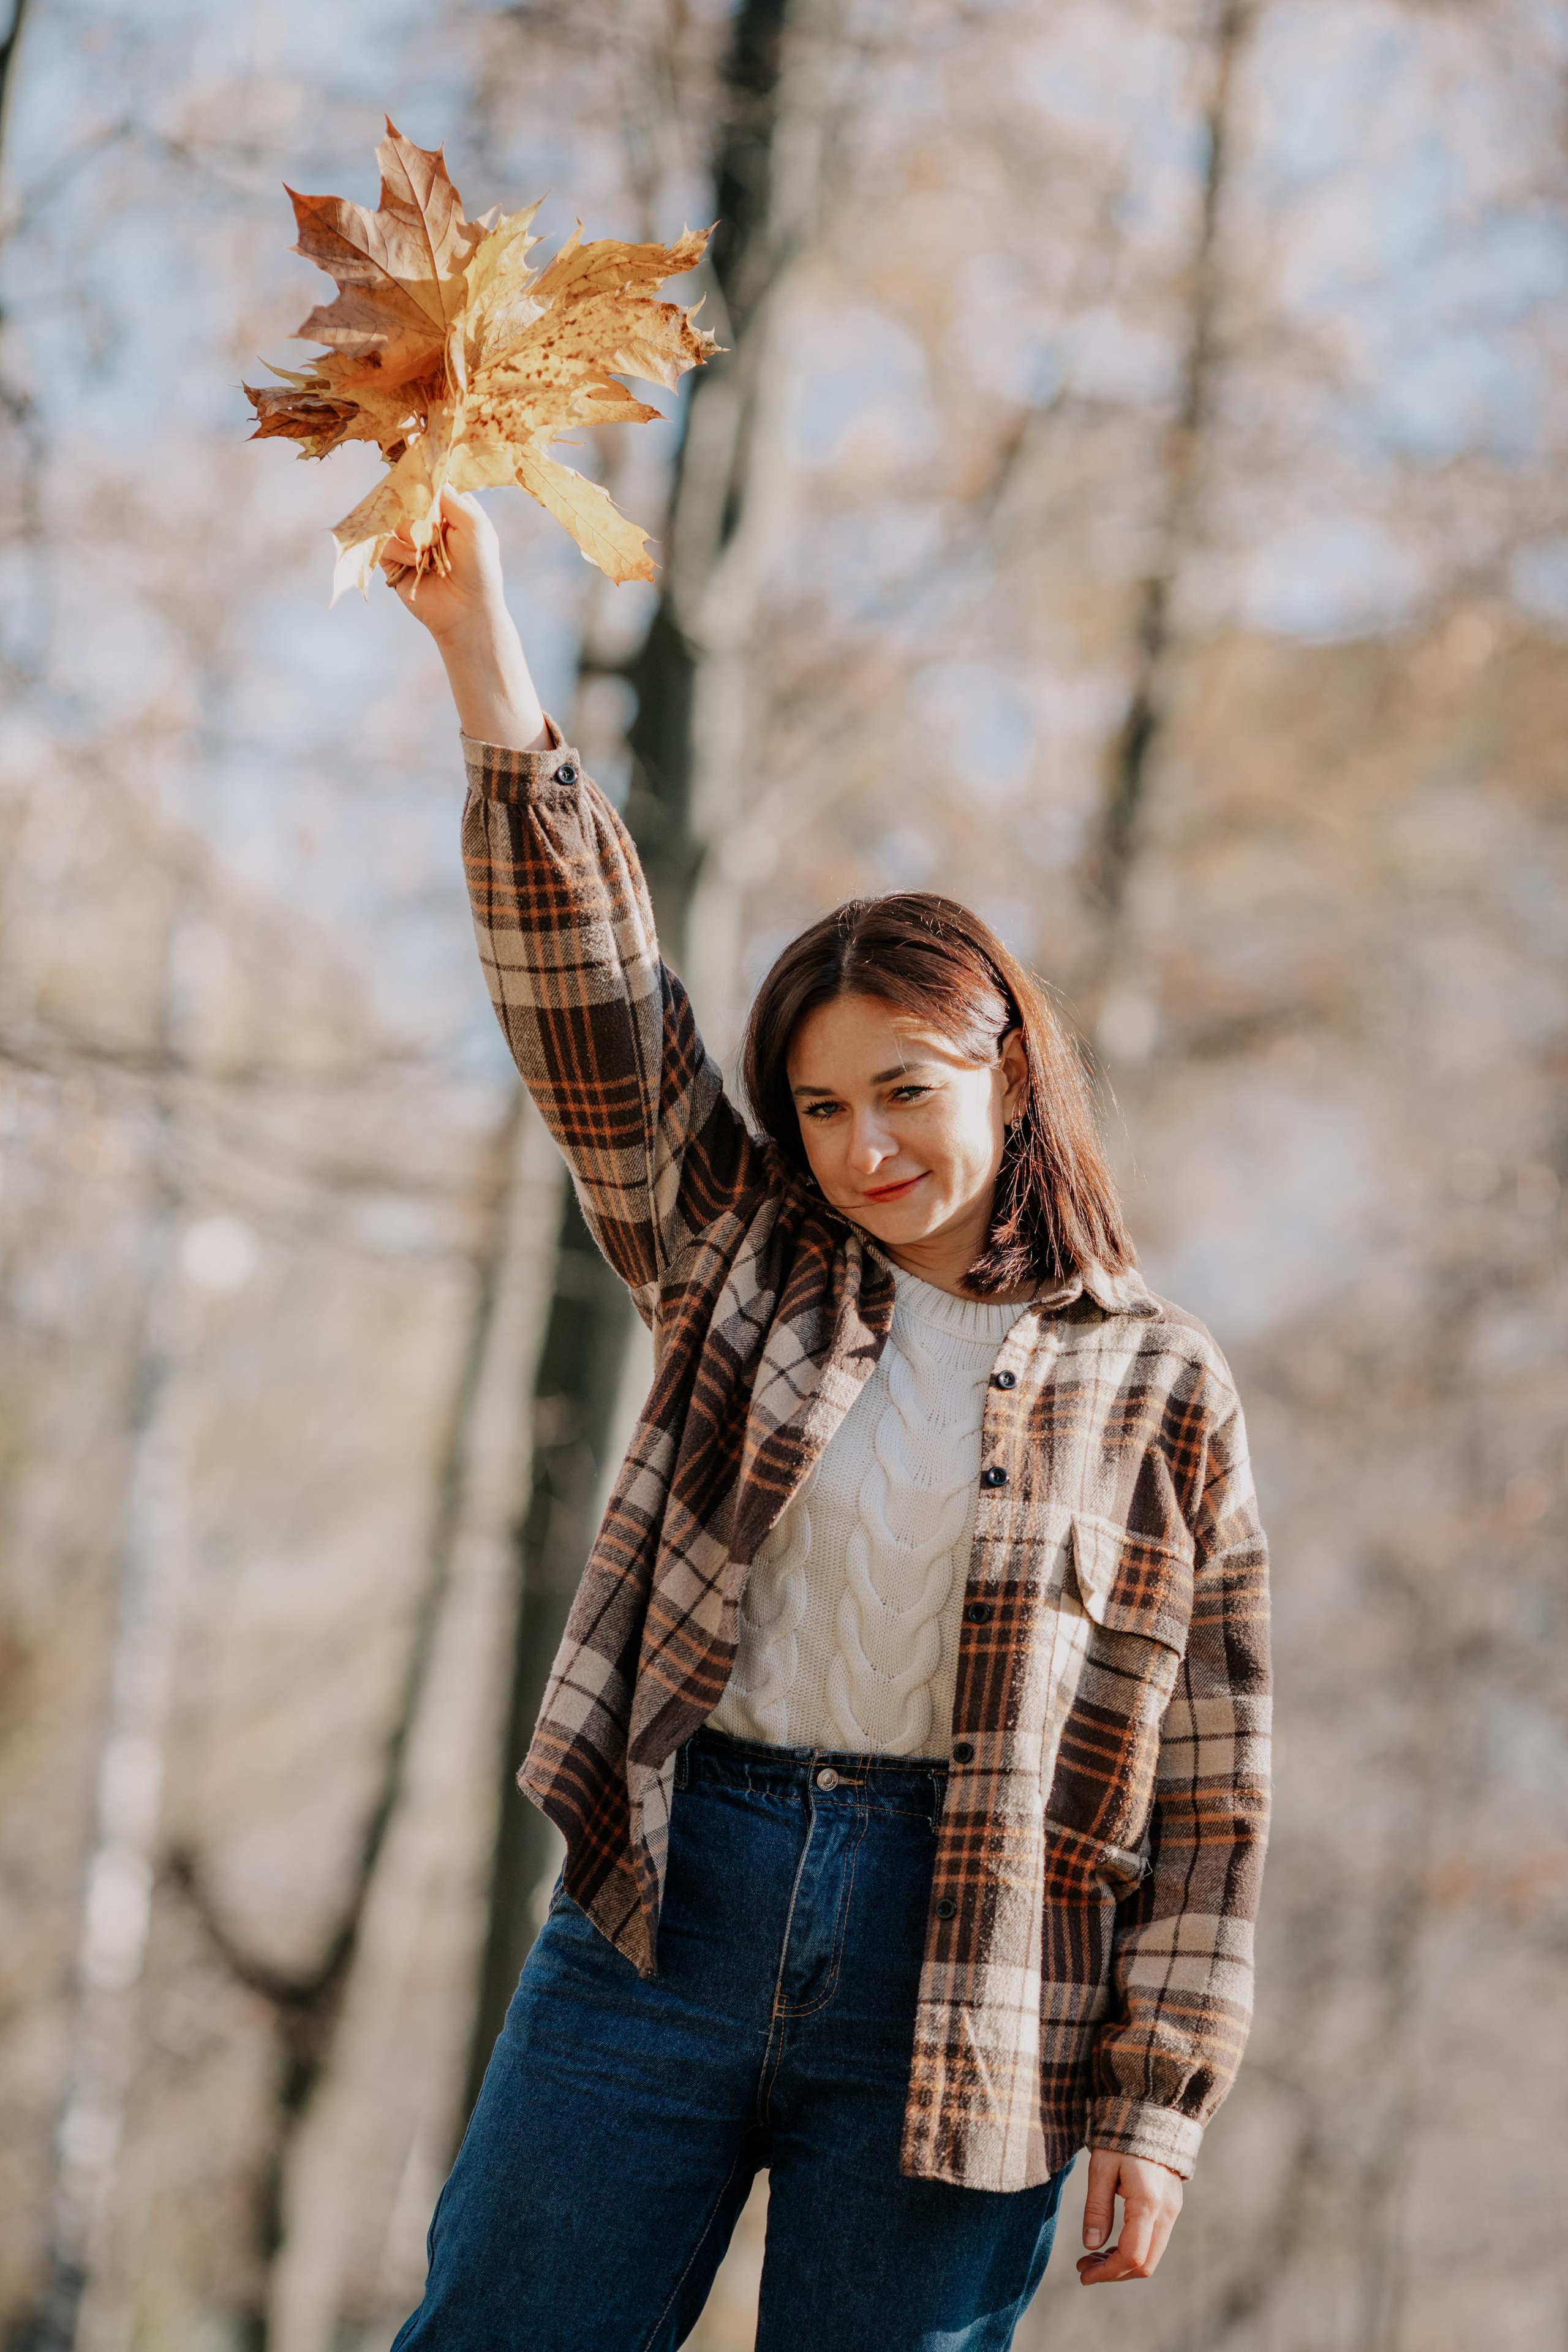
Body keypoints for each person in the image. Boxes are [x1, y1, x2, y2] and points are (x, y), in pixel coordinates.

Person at [379, 489, 1272, 2352]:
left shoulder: (1157, 1378)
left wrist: (1159, 2106)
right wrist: (483, 654)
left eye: (904, 1091)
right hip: (665, 1915)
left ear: (1007, 1067)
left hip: (974, 1979)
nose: (861, 1149)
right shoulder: (739, 1256)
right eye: (816, 1108)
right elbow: (596, 1009)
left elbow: (1212, 1783)